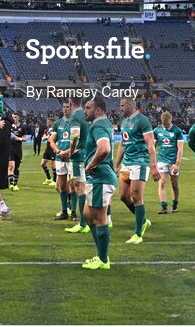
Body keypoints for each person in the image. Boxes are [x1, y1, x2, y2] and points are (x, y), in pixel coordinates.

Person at [113, 97, 158, 244]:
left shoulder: (142, 120)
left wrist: (153, 166)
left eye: (123, 105)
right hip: (127, 163)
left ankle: (138, 234)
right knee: (124, 196)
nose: (120, 108)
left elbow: (150, 144)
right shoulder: (124, 121)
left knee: (137, 196)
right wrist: (116, 165)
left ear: (131, 105)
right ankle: (143, 220)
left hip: (140, 162)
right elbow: (122, 145)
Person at [80, 96, 117, 270]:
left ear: (99, 110)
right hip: (99, 178)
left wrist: (90, 165)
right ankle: (101, 255)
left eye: (88, 108)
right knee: (88, 215)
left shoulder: (98, 125)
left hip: (100, 177)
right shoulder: (104, 125)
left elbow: (104, 148)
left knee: (100, 218)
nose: (85, 111)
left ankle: (103, 259)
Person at [63, 96, 92, 233]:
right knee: (85, 187)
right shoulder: (86, 115)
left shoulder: (75, 117)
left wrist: (71, 150)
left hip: (78, 158)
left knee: (79, 189)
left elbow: (75, 135)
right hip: (88, 156)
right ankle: (88, 220)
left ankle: (83, 223)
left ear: (70, 103)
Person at [153, 111, 184, 214]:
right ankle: (164, 206)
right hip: (162, 160)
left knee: (174, 184)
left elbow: (180, 149)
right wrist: (153, 164)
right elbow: (153, 147)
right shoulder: (157, 131)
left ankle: (175, 204)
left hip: (173, 161)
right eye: (163, 123)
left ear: (171, 120)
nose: (165, 125)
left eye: (166, 123)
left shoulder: (177, 131)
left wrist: (177, 163)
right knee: (162, 183)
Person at [51, 103, 74, 221]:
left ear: (72, 108)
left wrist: (67, 152)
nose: (65, 109)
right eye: (64, 107)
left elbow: (78, 141)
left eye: (68, 107)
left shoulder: (75, 122)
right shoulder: (57, 123)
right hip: (60, 158)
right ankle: (65, 211)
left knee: (73, 185)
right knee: (62, 186)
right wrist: (59, 151)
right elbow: (52, 140)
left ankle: (74, 212)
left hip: (72, 157)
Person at [8, 113, 25, 191]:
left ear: (19, 118)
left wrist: (19, 138)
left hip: (18, 150)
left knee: (16, 168)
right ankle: (11, 184)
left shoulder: (22, 127)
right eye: (13, 117)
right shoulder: (8, 126)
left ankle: (15, 184)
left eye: (15, 117)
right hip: (9, 149)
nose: (13, 118)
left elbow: (25, 138)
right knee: (11, 166)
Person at [39, 117, 56, 185]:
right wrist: (47, 137)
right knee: (42, 164)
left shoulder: (55, 130)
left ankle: (55, 181)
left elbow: (53, 138)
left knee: (53, 165)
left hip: (53, 148)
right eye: (47, 122)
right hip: (48, 148)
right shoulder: (46, 130)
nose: (47, 123)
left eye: (48, 122)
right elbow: (43, 138)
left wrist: (47, 137)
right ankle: (49, 179)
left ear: (52, 122)